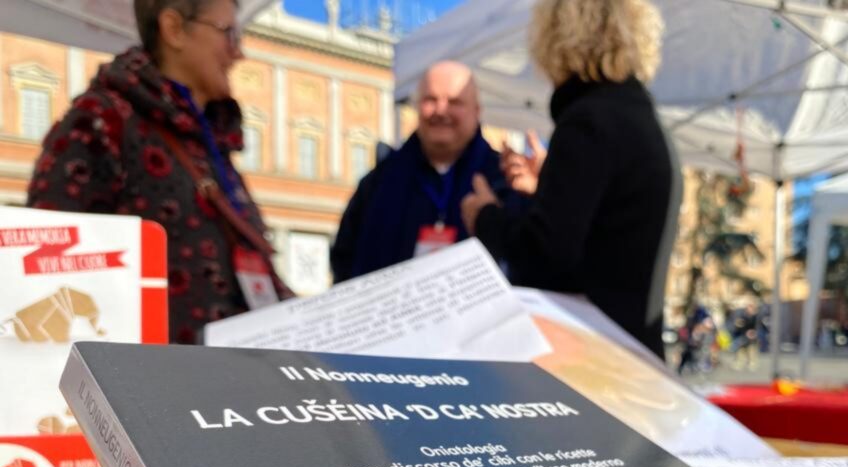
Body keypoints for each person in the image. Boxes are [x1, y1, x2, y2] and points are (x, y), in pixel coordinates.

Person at [27, 0, 291, 345]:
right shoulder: (102, 119)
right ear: (174, 29)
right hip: (153, 383)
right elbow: (47, 263)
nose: (237, 53)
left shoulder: (208, 137)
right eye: (228, 33)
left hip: (230, 372)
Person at [460, 0, 681, 358]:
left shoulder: (589, 122)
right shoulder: (637, 116)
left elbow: (543, 257)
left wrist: (484, 215)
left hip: (598, 356)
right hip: (634, 350)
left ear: (556, 36)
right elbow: (605, 234)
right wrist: (549, 186)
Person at [329, 61, 519, 282]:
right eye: (431, 99)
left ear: (476, 111)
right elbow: (344, 258)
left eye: (454, 102)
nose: (441, 110)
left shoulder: (505, 180)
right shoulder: (379, 181)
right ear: (417, 106)